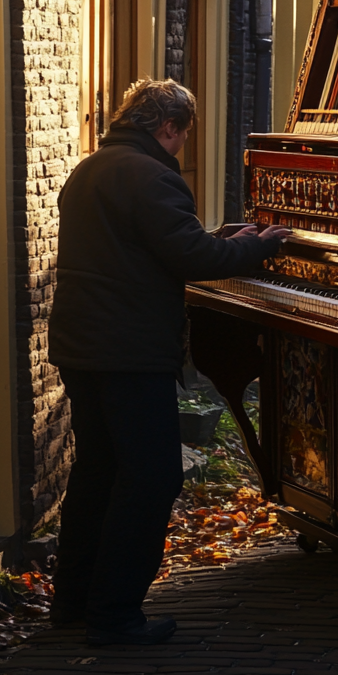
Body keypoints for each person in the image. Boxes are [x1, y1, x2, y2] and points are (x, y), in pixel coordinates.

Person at [47, 79, 289, 646]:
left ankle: (73, 602)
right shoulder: (153, 175)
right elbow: (192, 254)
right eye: (182, 136)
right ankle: (115, 616)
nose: (181, 146)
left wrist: (223, 239)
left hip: (83, 347)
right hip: (128, 351)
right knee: (152, 479)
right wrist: (262, 244)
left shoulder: (92, 167)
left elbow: (145, 244)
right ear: (168, 128)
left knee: (97, 474)